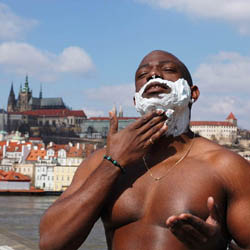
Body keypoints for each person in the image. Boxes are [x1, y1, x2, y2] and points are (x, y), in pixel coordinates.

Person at [39, 50, 250, 250]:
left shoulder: (226, 166)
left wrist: (218, 246)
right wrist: (113, 162)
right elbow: (51, 243)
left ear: (192, 93)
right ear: (136, 99)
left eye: (168, 69)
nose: (154, 74)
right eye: (143, 74)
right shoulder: (100, 162)